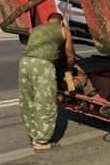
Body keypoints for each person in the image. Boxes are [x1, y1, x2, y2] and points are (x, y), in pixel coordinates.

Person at [19, 12, 75, 152]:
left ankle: (34, 136)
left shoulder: (36, 29)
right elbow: (70, 55)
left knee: (28, 100)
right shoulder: (63, 30)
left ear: (48, 21)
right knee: (46, 102)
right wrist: (69, 68)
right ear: (62, 22)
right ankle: (42, 142)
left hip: (25, 62)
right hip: (42, 65)